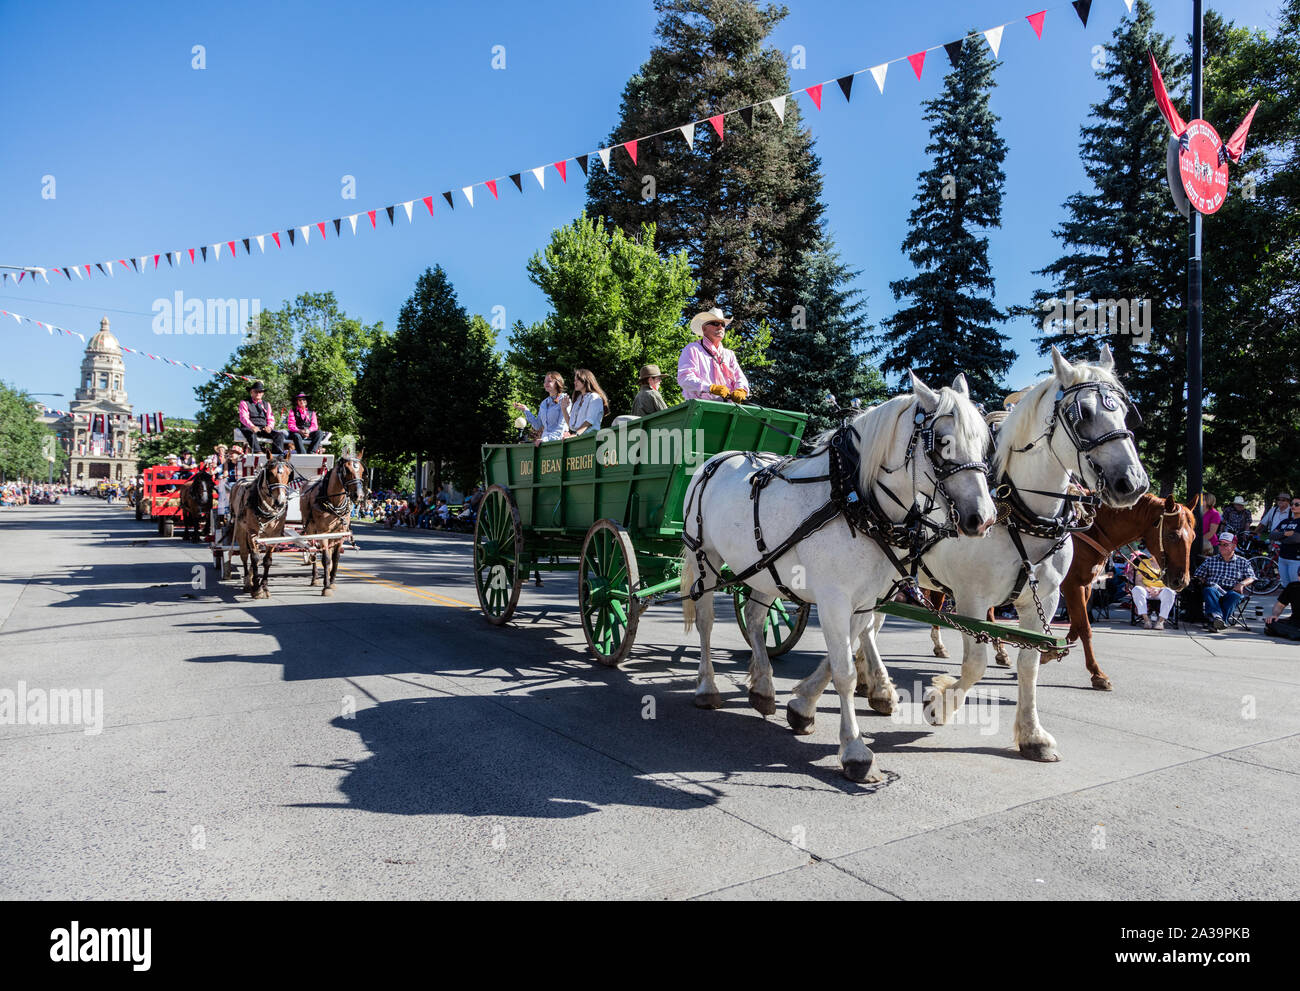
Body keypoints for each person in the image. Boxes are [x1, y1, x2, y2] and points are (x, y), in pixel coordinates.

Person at [677, 308, 750, 402]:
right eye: (715, 323)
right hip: (700, 407)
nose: (720, 327)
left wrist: (741, 390)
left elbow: (740, 377)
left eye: (723, 324)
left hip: (729, 408)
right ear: (704, 328)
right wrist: (711, 388)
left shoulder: (729, 354)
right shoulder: (692, 349)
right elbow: (685, 379)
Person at [1193, 531, 1255, 631]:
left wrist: (1242, 584)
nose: (1221, 547)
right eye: (1220, 544)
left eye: (1225, 545)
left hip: (1232, 590)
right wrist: (1202, 580)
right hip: (1214, 589)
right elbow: (1198, 575)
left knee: (1235, 596)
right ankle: (1219, 619)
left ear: (1234, 546)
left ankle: (1215, 621)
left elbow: (1251, 577)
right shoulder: (1211, 560)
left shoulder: (1243, 562)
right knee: (1209, 590)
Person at [512, 372, 569, 444]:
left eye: (549, 381)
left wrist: (546, 439)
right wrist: (525, 410)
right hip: (544, 443)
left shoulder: (565, 400)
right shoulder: (544, 403)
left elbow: (561, 428)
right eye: (545, 381)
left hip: (560, 442)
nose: (546, 384)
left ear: (557, 383)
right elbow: (537, 425)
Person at [1129, 550, 1176, 630]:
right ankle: (1146, 620)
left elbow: (1171, 583)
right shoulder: (1144, 562)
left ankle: (1160, 621)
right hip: (1146, 589)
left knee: (1170, 592)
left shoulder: (1167, 565)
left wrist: (1159, 589)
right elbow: (1138, 581)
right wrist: (1148, 588)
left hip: (1162, 590)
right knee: (1136, 589)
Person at [237, 381, 286, 454]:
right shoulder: (244, 402)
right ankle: (258, 452)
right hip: (250, 428)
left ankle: (277, 455)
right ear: (251, 392)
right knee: (249, 432)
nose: (258, 393)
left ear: (262, 393)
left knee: (279, 434)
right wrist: (252, 426)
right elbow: (243, 417)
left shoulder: (267, 404)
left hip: (263, 428)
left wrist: (269, 427)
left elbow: (270, 418)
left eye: (260, 392)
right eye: (256, 391)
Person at [565, 369, 607, 436]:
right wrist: (563, 408)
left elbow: (589, 422)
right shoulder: (578, 400)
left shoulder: (595, 397)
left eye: (577, 380)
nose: (574, 382)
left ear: (585, 380)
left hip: (590, 438)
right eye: (574, 380)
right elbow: (571, 425)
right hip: (579, 437)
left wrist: (576, 435)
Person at [1270, 496, 1300, 588]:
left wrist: (1281, 536)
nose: (1293, 506)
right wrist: (1286, 534)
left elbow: (1296, 538)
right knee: (1286, 587)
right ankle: (1287, 603)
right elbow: (1272, 535)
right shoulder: (1285, 521)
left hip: (1296, 559)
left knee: (1295, 587)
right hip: (1282, 558)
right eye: (1292, 504)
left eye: (1297, 504)